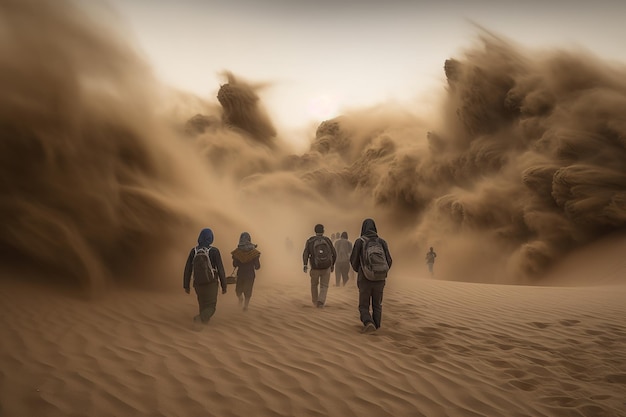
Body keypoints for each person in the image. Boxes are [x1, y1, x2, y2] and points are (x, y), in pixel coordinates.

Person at [350, 218, 392, 333]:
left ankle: (368, 322)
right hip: (380, 278)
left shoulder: (360, 242)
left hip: (365, 278)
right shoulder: (382, 242)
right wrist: (381, 272)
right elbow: (389, 260)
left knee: (363, 305)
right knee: (377, 305)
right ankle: (377, 326)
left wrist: (363, 271)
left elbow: (353, 261)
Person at [183, 228, 227, 324]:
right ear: (211, 238)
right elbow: (220, 269)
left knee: (202, 304)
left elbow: (188, 269)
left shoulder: (193, 251)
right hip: (211, 283)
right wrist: (224, 286)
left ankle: (201, 325)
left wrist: (186, 285)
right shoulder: (214, 251)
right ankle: (200, 319)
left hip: (198, 283)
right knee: (211, 306)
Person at [302, 223, 337, 308]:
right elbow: (334, 253)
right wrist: (332, 264)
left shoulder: (310, 241)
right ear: (323, 231)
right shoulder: (327, 240)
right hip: (326, 267)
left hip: (315, 267)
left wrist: (305, 264)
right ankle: (321, 301)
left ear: (315, 231)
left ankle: (314, 301)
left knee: (314, 285)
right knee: (324, 285)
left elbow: (305, 253)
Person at [231, 232, 261, 311]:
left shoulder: (237, 252)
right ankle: (246, 306)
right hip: (250, 275)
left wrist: (237, 259)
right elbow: (257, 267)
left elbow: (234, 264)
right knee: (248, 290)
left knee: (238, 290)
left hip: (240, 274)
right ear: (249, 239)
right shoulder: (254, 252)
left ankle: (240, 299)